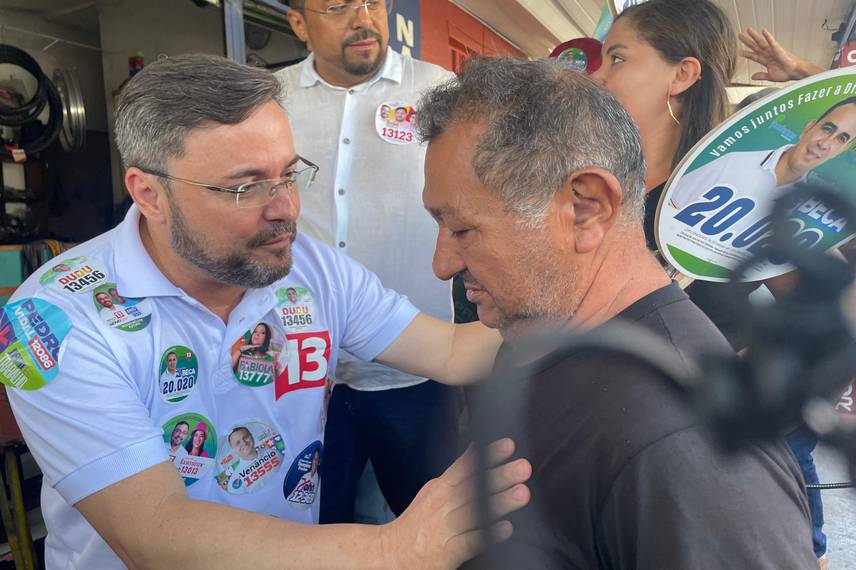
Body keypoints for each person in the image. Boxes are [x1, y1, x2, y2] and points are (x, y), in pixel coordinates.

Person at [2, 53, 531, 569]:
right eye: (245, 187)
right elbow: (157, 534)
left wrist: (589, 318)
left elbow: (449, 349)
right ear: (149, 194)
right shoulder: (50, 319)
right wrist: (394, 549)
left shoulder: (313, 270)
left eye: (289, 175)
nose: (286, 210)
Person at [419, 55, 816, 569]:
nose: (441, 264)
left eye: (462, 229)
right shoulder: (541, 336)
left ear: (586, 206)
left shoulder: (686, 446)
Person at [280, 0, 461, 524]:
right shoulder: (271, 101)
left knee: (429, 519)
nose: (363, 19)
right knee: (314, 521)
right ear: (298, 23)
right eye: (338, 6)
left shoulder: (438, 92)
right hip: (303, 372)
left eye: (373, 3)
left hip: (415, 363)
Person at [670, 97, 856, 211]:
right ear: (809, 127)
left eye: (841, 139)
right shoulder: (732, 162)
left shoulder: (807, 206)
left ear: (842, 150)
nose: (825, 144)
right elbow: (670, 208)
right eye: (827, 128)